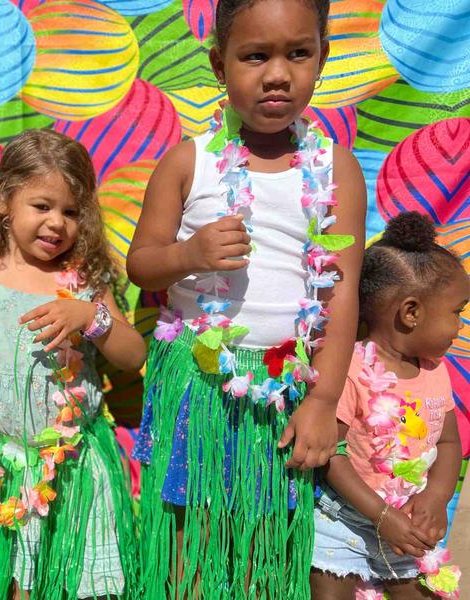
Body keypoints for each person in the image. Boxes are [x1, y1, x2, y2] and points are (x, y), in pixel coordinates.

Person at [126, 0, 367, 597]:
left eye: (298, 53)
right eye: (255, 56)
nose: (278, 73)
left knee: (263, 550)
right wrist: (188, 255)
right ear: (219, 64)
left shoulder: (336, 169)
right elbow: (141, 262)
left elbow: (343, 295)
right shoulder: (190, 162)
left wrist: (325, 400)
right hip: (201, 381)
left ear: (323, 58)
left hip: (285, 389)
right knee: (192, 546)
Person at [0, 129, 145, 599]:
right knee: (12, 584)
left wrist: (91, 318)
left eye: (71, 212)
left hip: (71, 470)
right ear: (2, 201)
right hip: (2, 461)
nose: (57, 223)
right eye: (42, 206)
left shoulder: (85, 281)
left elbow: (134, 356)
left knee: (69, 584)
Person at [310, 212, 466, 599]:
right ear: (410, 312)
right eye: (457, 312)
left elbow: (449, 444)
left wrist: (435, 496)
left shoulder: (435, 371)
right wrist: (382, 517)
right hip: (342, 524)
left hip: (405, 526)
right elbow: (333, 454)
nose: (460, 326)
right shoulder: (351, 367)